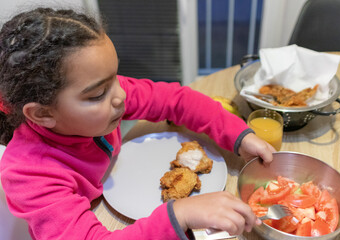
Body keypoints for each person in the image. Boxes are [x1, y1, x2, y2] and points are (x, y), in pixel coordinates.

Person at [0, 8, 276, 240]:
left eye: (115, 78)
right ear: (43, 114)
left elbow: (175, 100)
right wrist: (180, 214)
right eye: (98, 94)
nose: (121, 95)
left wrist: (238, 134)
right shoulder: (28, 175)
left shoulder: (106, 97)